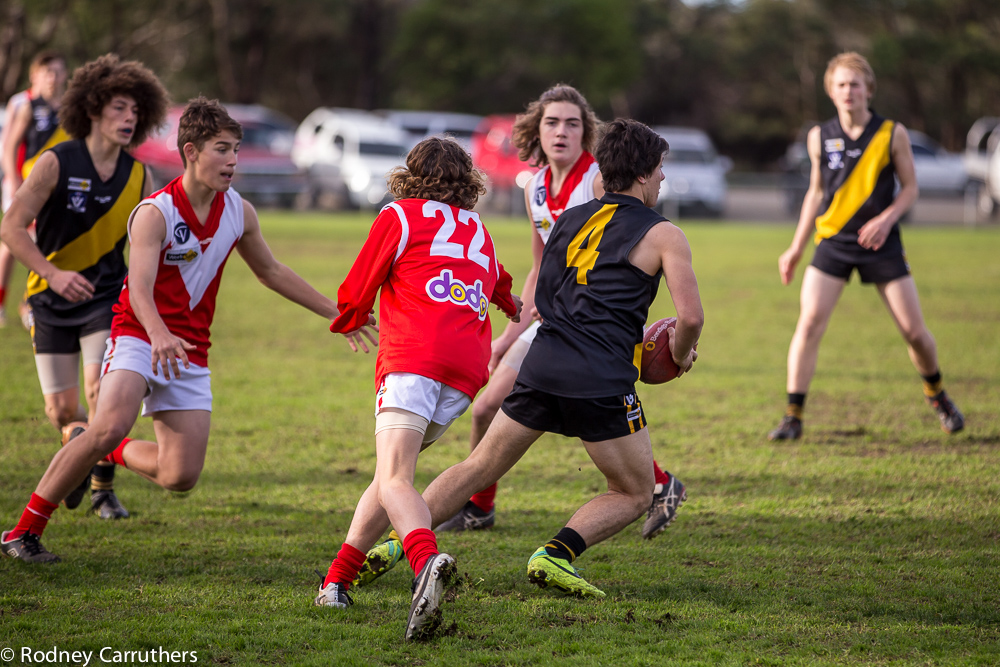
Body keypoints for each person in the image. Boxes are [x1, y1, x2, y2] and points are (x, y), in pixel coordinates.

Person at [0, 96, 377, 564]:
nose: (233, 160)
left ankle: (104, 449)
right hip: (140, 336)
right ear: (191, 151)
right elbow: (136, 289)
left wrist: (338, 313)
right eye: (222, 149)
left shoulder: (240, 212)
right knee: (109, 422)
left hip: (190, 351)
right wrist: (157, 333)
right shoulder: (155, 213)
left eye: (237, 149)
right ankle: (23, 530)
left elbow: (272, 272)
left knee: (179, 476)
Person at [418, 118, 702, 598]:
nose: (662, 179)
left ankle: (395, 543)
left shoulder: (568, 221)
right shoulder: (664, 234)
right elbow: (690, 318)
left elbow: (545, 301)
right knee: (634, 491)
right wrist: (677, 354)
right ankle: (554, 555)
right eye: (659, 170)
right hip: (601, 379)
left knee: (477, 467)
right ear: (641, 174)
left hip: (543, 364)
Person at [314, 137, 521, 641]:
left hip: (415, 357)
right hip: (466, 369)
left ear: (410, 176)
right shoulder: (478, 227)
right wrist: (515, 308)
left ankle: (425, 562)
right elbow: (499, 286)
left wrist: (350, 318)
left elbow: (359, 284)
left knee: (394, 480)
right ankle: (336, 582)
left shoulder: (399, 215)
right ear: (465, 182)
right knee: (392, 476)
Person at [0, 53, 164, 520]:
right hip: (49, 298)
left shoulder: (139, 175)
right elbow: (10, 227)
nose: (128, 118)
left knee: (99, 392)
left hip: (106, 297)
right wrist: (52, 274)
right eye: (118, 108)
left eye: (135, 111)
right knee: (61, 411)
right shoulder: (55, 161)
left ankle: (100, 489)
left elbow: (148, 245)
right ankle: (79, 448)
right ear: (92, 109)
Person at [768, 52, 964, 441]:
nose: (848, 91)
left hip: (882, 243)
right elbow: (815, 193)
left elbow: (910, 189)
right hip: (833, 242)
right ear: (831, 91)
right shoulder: (818, 136)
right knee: (808, 325)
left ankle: (937, 394)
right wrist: (795, 248)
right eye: (841, 84)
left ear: (869, 90)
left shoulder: (893, 133)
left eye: (855, 84)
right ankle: (793, 416)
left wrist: (886, 219)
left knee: (914, 333)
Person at [0, 51, 69, 328]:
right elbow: (10, 146)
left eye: (58, 71)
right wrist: (15, 182)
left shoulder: (68, 107)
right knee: (11, 243)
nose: (53, 77)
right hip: (23, 185)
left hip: (54, 189)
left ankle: (30, 303)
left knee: (47, 242)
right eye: (47, 72)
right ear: (36, 75)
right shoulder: (25, 104)